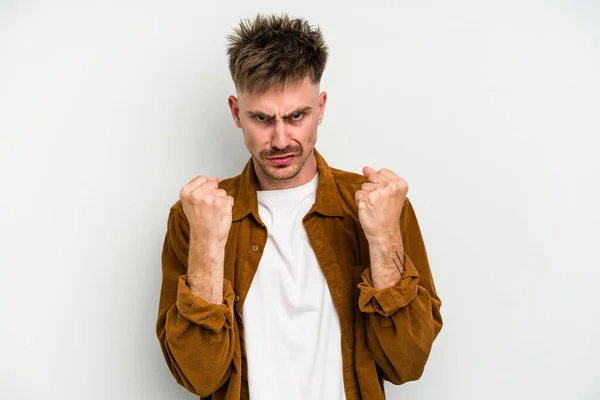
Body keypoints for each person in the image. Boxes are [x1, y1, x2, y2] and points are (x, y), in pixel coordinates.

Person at [156, 13, 443, 400]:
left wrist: (383, 236)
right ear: (235, 112)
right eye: (262, 118)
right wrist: (207, 245)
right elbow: (199, 376)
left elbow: (406, 364)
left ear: (320, 108)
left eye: (296, 116)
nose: (279, 139)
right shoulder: (194, 217)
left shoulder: (378, 206)